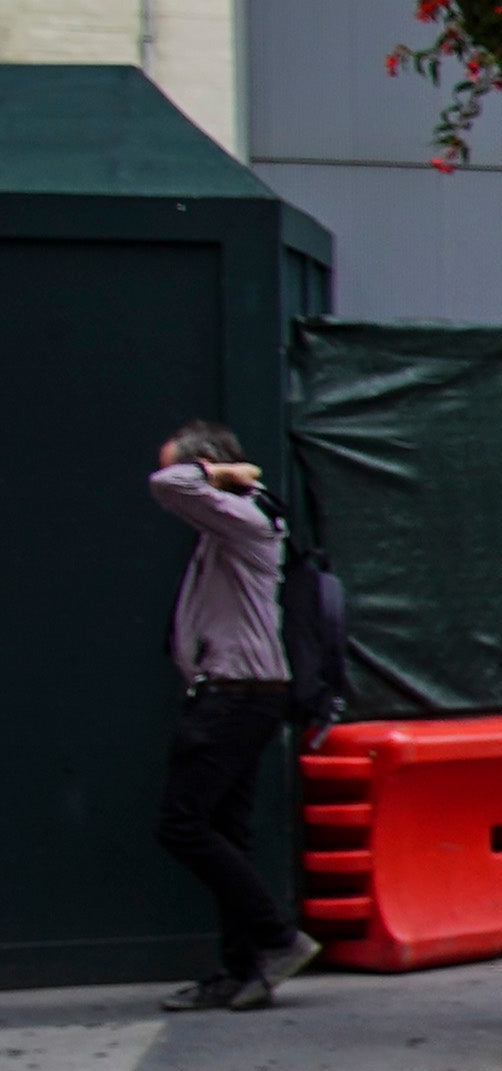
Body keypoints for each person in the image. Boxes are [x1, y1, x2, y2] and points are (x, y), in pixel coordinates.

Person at [147, 424, 315, 1012]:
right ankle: (243, 970)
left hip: (237, 693)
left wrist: (215, 473)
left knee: (182, 824)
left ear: (215, 470)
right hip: (239, 692)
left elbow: (168, 483)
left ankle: (276, 939)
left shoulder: (244, 519)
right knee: (225, 831)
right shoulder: (233, 522)